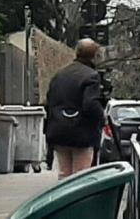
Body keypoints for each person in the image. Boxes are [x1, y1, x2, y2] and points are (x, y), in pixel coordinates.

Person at [45, 39, 105, 180]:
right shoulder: (91, 76)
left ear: (77, 52)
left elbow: (50, 101)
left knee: (64, 174)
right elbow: (90, 104)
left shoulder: (59, 75)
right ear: (94, 55)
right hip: (81, 133)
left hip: (58, 130)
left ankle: (64, 201)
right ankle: (80, 202)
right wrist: (102, 118)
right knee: (81, 175)